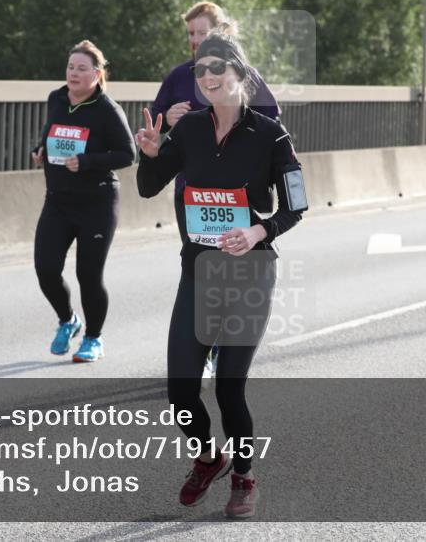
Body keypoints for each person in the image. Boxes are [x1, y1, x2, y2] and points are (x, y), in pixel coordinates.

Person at [136, 31, 307, 519]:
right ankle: (209, 457)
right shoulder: (188, 129)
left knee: (230, 387)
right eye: (201, 70)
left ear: (240, 74)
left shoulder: (270, 134)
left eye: (218, 68)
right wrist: (149, 155)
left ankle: (244, 476)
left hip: (251, 272)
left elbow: (297, 204)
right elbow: (150, 188)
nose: (208, 76)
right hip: (199, 270)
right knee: (181, 389)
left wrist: (259, 231)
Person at [149, 2, 281, 380]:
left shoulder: (244, 75)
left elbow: (271, 117)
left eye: (202, 33)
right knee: (201, 267)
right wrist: (170, 121)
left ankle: (224, 345)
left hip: (236, 195)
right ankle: (202, 350)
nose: (195, 41)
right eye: (190, 34)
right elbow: (155, 123)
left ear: (220, 33)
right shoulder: (180, 76)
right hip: (190, 193)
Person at [31, 41, 136, 362]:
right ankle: (68, 320)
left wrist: (87, 161)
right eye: (70, 67)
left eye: (81, 68)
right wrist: (39, 151)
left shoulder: (107, 110)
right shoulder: (57, 98)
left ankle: (93, 338)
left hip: (97, 203)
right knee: (46, 269)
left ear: (97, 74)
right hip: (58, 201)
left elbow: (127, 154)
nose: (73, 73)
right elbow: (52, 133)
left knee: (88, 274)